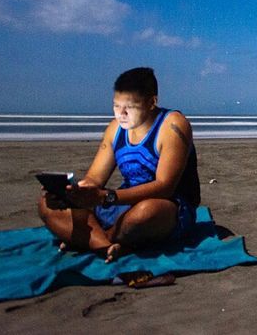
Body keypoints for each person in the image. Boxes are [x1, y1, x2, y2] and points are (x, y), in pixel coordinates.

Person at [38, 67, 201, 262]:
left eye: (130, 107)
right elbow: (95, 178)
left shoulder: (173, 125)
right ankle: (108, 246)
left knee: (146, 213)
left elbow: (165, 187)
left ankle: (89, 240)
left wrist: (107, 197)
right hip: (120, 203)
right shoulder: (116, 127)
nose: (121, 114)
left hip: (168, 208)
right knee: (46, 206)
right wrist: (73, 194)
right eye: (117, 106)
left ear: (151, 102)